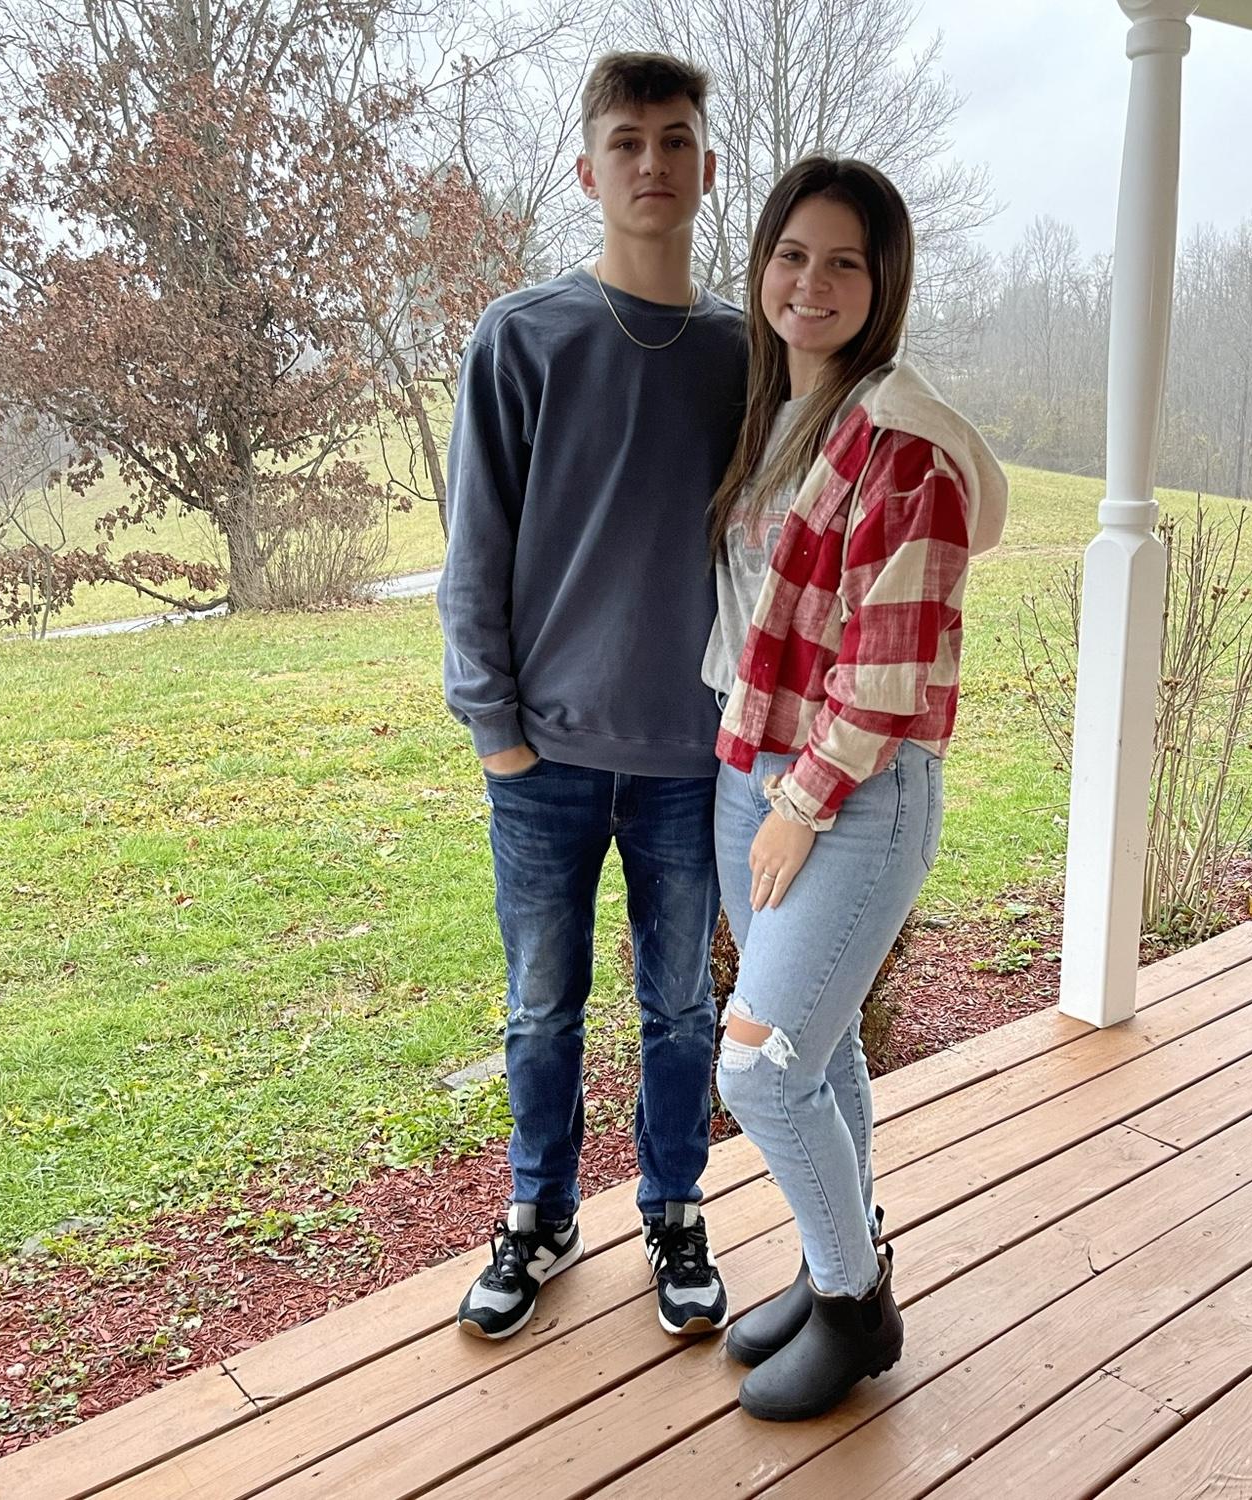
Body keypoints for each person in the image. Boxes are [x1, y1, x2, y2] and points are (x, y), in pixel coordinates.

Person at [438, 52, 747, 1342]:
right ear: (587, 168)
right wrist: (495, 729)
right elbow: (476, 548)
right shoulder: (524, 338)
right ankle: (541, 1212)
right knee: (539, 1007)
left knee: (681, 1007)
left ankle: (674, 1207)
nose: (651, 162)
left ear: (707, 168)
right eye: (627, 140)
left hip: (691, 758)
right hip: (545, 761)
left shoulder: (748, 356)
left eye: (674, 140)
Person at [703, 155, 1007, 1420]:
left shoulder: (903, 445)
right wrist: (757, 784)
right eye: (791, 254)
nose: (811, 283)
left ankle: (854, 1308)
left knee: (760, 1069)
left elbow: (886, 677)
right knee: (817, 1059)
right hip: (754, 768)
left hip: (849, 795)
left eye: (845, 262)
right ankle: (835, 1261)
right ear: (762, 264)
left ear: (884, 284)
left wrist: (798, 803)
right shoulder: (783, 410)